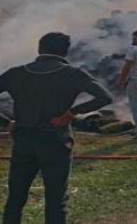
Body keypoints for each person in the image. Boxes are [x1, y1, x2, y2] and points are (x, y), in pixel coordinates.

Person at [0, 32, 113, 224]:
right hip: (56, 140)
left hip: (23, 140)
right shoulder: (73, 74)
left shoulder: (17, 72)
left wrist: (6, 122)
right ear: (66, 52)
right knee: (56, 200)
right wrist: (72, 113)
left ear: (39, 48)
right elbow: (105, 97)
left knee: (16, 198)